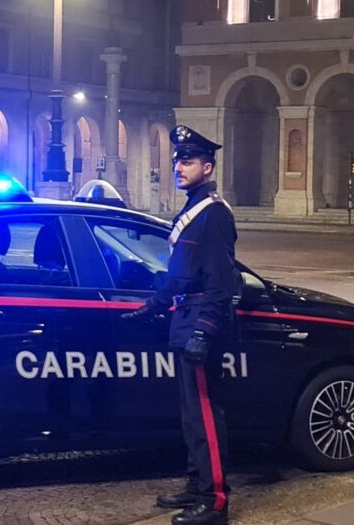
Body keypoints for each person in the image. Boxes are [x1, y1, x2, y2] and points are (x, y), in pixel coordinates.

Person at [122, 125, 239, 525]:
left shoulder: (214, 215)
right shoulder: (192, 211)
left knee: (206, 414)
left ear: (207, 167)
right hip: (184, 320)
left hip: (199, 324)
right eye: (177, 160)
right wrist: (153, 306)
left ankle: (216, 500)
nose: (178, 166)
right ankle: (197, 485)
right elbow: (179, 276)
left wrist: (205, 331)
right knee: (192, 415)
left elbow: (223, 283)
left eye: (187, 161)